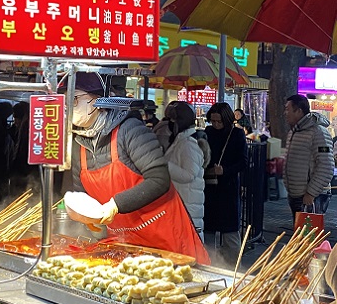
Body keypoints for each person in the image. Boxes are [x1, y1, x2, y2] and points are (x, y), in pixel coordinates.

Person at [62, 72, 210, 264]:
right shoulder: (79, 145)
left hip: (166, 237)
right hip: (125, 244)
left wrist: (115, 205)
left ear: (97, 101)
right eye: (65, 102)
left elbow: (160, 179)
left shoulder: (130, 130)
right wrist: (87, 218)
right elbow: (82, 194)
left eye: (74, 99)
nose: (69, 107)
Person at [203, 102, 248, 269]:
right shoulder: (207, 133)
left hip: (227, 187)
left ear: (227, 120)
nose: (215, 125)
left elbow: (243, 161)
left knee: (230, 232)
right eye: (213, 121)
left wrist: (225, 171)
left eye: (219, 121)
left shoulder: (236, 134)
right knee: (208, 229)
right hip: (209, 186)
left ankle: (234, 267)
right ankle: (210, 264)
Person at [163, 101, 211, 242]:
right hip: (182, 205)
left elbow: (189, 174)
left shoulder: (188, 144)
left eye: (171, 120)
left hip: (188, 207)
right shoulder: (180, 141)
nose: (168, 124)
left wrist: (163, 164)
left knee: (190, 253)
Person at [283, 94, 334, 221]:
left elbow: (326, 166)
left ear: (299, 111)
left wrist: (311, 193)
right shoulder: (294, 132)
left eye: (288, 109)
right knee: (300, 236)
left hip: (311, 197)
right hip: (296, 195)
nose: (285, 113)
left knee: (310, 237)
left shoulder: (318, 132)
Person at [9, 102, 40, 198]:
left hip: (25, 174)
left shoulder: (27, 129)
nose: (15, 121)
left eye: (16, 118)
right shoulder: (25, 128)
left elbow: (22, 155)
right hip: (26, 173)